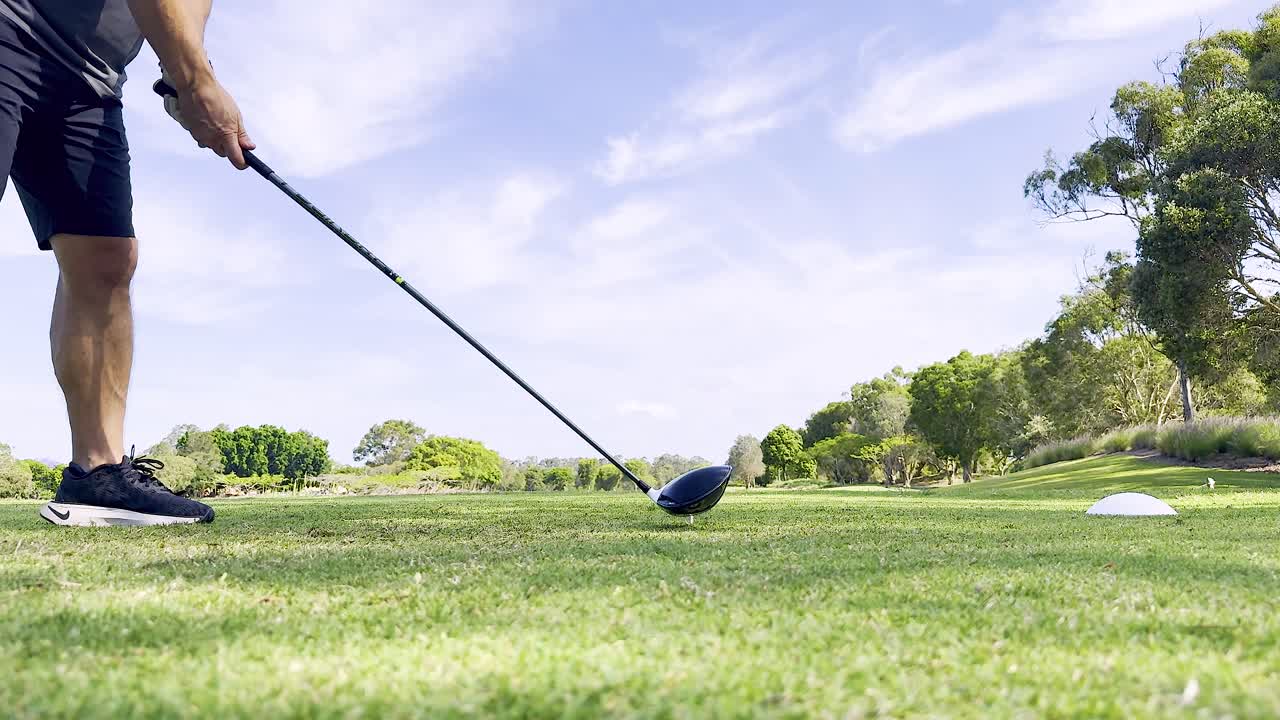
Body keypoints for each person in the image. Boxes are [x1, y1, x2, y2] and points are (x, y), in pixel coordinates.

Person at [0, 0, 252, 525]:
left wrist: (177, 74)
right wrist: (195, 80)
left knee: (106, 260)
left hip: (89, 81)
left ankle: (98, 474)